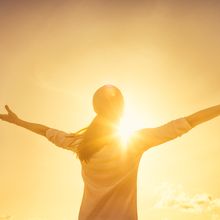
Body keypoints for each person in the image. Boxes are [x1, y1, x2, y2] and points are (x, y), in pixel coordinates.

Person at [0, 84, 219, 220]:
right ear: (122, 109)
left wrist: (18, 122)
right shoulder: (135, 141)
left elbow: (45, 131)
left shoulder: (80, 143)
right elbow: (189, 122)